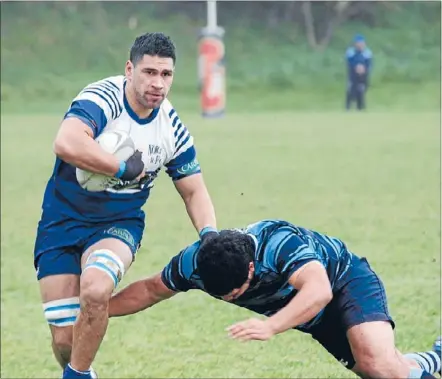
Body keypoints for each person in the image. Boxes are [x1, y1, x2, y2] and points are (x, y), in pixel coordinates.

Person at [33, 32, 217, 379]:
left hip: (118, 223)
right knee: (63, 338)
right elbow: (65, 141)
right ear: (129, 69)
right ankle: (80, 371)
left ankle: (75, 375)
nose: (157, 83)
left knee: (97, 287)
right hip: (61, 221)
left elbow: (194, 190)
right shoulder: (103, 99)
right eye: (149, 72)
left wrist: (209, 235)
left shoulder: (170, 127)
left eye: (166, 75)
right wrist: (119, 167)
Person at [109, 219, 441, 379]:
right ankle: (433, 359)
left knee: (379, 365)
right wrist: (98, 309)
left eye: (235, 292)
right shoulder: (193, 262)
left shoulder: (277, 243)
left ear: (251, 267)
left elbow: (319, 289)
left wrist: (271, 326)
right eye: (219, 294)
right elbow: (150, 290)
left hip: (345, 281)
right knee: (384, 370)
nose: (229, 298)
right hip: (312, 317)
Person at [345, 34, 373, 111]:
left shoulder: (367, 53)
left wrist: (364, 69)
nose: (360, 44)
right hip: (353, 75)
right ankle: (347, 108)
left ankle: (360, 108)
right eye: (359, 43)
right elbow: (349, 63)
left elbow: (369, 64)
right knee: (350, 90)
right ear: (355, 44)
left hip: (363, 76)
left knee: (361, 90)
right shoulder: (350, 52)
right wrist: (356, 68)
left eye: (362, 43)